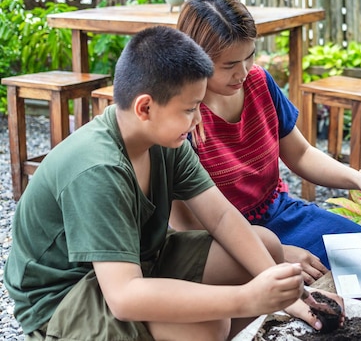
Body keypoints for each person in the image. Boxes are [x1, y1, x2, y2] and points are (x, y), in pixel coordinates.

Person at [5, 26, 341, 341]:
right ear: (146, 107)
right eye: (190, 109)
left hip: (138, 258)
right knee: (207, 328)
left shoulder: (165, 142)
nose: (198, 120)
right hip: (68, 294)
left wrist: (291, 296)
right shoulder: (98, 169)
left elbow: (222, 217)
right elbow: (123, 297)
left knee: (265, 246)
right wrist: (248, 298)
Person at [171, 0, 361, 284]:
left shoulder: (259, 83)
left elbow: (300, 154)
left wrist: (360, 180)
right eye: (229, 65)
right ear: (195, 59)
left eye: (249, 56)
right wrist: (276, 254)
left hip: (279, 213)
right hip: (221, 242)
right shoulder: (182, 119)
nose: (243, 73)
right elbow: (185, 224)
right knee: (316, 295)